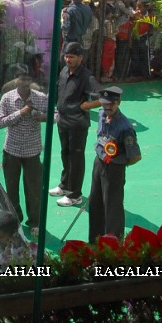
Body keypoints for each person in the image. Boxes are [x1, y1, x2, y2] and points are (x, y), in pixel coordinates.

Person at [0, 65, 48, 239]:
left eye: (28, 79)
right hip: (11, 150)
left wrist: (42, 116)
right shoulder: (7, 98)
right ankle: (15, 221)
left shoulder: (40, 98)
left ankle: (35, 223)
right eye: (21, 78)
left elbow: (55, 115)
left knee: (33, 189)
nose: (25, 82)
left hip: (32, 151)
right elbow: (0, 122)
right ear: (15, 80)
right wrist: (20, 113)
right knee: (11, 189)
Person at [88, 86, 141, 243]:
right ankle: (95, 243)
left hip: (114, 169)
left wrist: (118, 165)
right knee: (95, 204)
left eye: (110, 104)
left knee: (112, 209)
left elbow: (135, 156)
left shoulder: (125, 127)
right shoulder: (101, 115)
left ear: (118, 102)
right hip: (99, 163)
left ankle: (113, 246)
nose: (107, 107)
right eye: (104, 103)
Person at [51, 42, 100, 209]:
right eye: (66, 56)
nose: (68, 59)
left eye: (71, 56)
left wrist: (86, 106)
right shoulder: (64, 71)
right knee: (65, 153)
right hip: (63, 121)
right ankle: (65, 186)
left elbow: (102, 98)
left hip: (77, 125)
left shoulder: (87, 77)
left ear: (80, 58)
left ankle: (75, 194)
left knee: (76, 158)